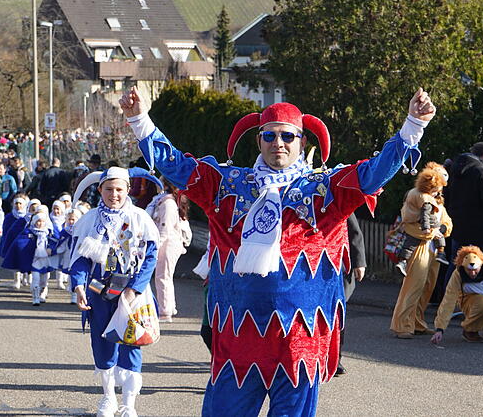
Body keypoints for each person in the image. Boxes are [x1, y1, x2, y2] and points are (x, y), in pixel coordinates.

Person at [120, 86, 435, 416]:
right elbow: (177, 167)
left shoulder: (325, 190)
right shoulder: (227, 186)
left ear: (302, 141)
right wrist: (140, 120)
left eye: (288, 136)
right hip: (238, 334)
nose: (278, 143)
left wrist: (413, 125)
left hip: (301, 337)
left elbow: (373, 173)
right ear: (258, 141)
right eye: (269, 136)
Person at [69, 167, 159, 417]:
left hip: (133, 292)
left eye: (119, 189)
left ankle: (129, 404)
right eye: (109, 189)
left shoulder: (141, 218)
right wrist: (78, 284)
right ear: (100, 190)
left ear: (127, 190)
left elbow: (150, 257)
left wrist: (134, 290)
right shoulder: (89, 221)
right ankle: (108, 398)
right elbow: (79, 259)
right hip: (99, 291)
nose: (114, 194)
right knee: (102, 344)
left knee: (131, 343)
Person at [390, 165, 453, 339]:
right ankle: (401, 325)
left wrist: (441, 228)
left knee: (427, 287)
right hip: (419, 247)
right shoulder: (415, 196)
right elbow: (409, 222)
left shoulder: (437, 200)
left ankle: (417, 322)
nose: (439, 190)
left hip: (433, 249)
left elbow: (447, 222)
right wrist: (433, 232)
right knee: (413, 287)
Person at [147, 176, 192, 322]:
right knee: (165, 276)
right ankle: (168, 307)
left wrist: (155, 246)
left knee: (163, 276)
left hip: (168, 243)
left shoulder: (167, 203)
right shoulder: (168, 201)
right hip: (171, 242)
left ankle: (165, 310)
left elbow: (164, 228)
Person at [445, 142, 483, 255]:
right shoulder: (482, 171)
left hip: (457, 224)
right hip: (479, 226)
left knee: (457, 262)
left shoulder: (453, 170)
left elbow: (447, 194)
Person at [337, 214, 365, 376]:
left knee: (337, 316)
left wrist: (359, 262)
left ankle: (334, 360)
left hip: (337, 265)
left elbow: (353, 229)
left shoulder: (334, 194)